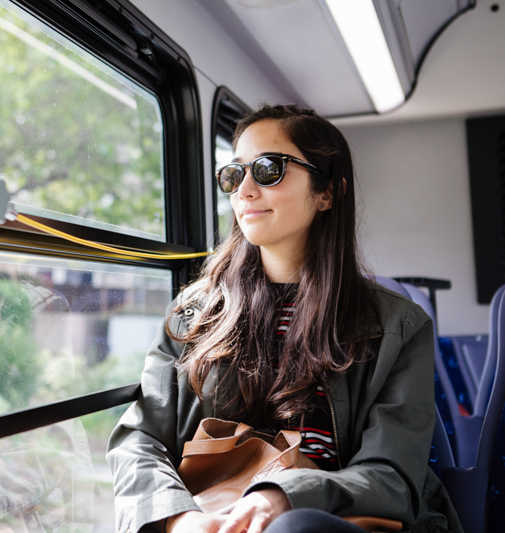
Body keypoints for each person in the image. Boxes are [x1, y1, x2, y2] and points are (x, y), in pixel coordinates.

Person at [106, 104, 463, 533]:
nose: (245, 191)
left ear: (327, 191)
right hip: (216, 516)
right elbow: (140, 440)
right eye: (235, 174)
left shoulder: (398, 326)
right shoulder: (194, 314)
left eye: (269, 168)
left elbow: (392, 474)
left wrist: (286, 496)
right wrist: (177, 518)